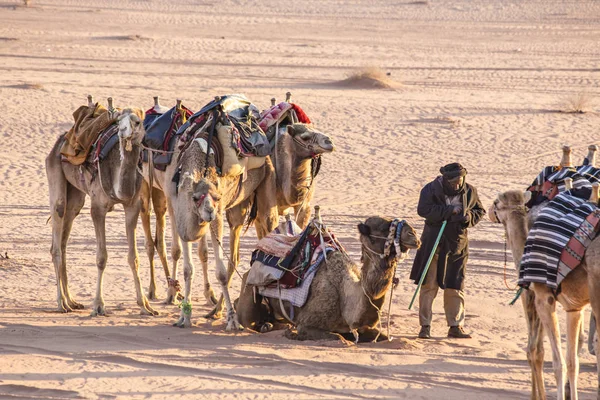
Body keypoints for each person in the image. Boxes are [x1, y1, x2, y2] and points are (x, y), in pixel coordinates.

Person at [409, 163, 485, 339]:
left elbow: (479, 211)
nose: (457, 185)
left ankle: (455, 326)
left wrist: (468, 218)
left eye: (460, 181)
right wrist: (449, 211)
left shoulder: (469, 191)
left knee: (455, 286)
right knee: (429, 285)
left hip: (457, 245)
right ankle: (425, 326)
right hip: (434, 243)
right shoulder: (430, 189)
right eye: (454, 182)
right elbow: (424, 210)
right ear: (446, 179)